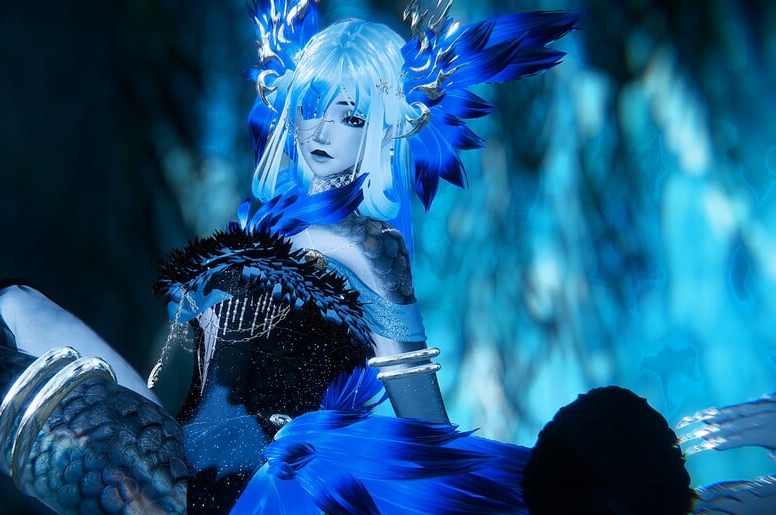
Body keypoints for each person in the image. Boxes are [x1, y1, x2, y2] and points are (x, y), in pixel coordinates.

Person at [238, 3, 577, 422]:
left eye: (352, 118)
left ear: (386, 128)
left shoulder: (369, 246)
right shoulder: (265, 227)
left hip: (302, 454)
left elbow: (420, 410)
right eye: (311, 107)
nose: (322, 131)